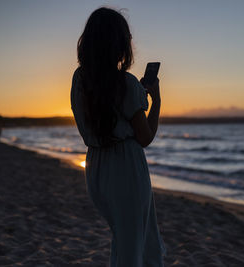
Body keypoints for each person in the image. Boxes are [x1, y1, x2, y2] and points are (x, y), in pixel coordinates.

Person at [70, 7, 166, 267]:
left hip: (97, 169)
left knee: (124, 243)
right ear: (120, 44)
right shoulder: (127, 84)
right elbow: (145, 138)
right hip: (127, 169)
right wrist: (156, 101)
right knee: (138, 248)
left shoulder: (79, 79)